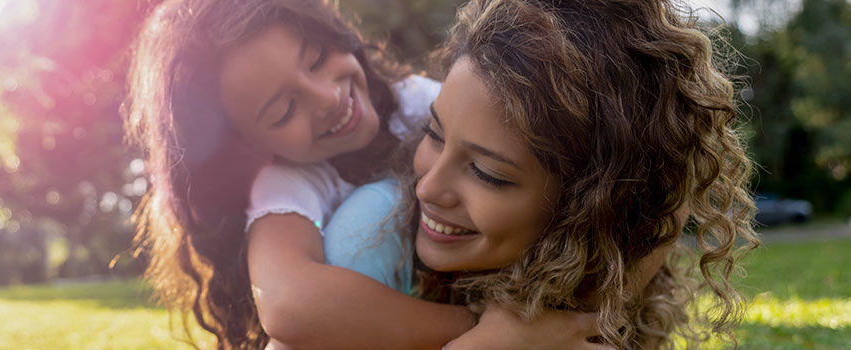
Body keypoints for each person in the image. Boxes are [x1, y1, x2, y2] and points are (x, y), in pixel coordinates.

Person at [123, 0, 607, 349]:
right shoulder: (291, 184)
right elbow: (289, 305)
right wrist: (484, 329)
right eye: (285, 109)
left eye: (316, 59)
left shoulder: (420, 103)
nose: (327, 97)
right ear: (250, 145)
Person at [318, 0, 759, 348]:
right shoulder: (370, 234)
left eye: (487, 174)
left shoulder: (585, 266)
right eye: (433, 135)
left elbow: (663, 199)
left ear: (589, 204)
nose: (428, 187)